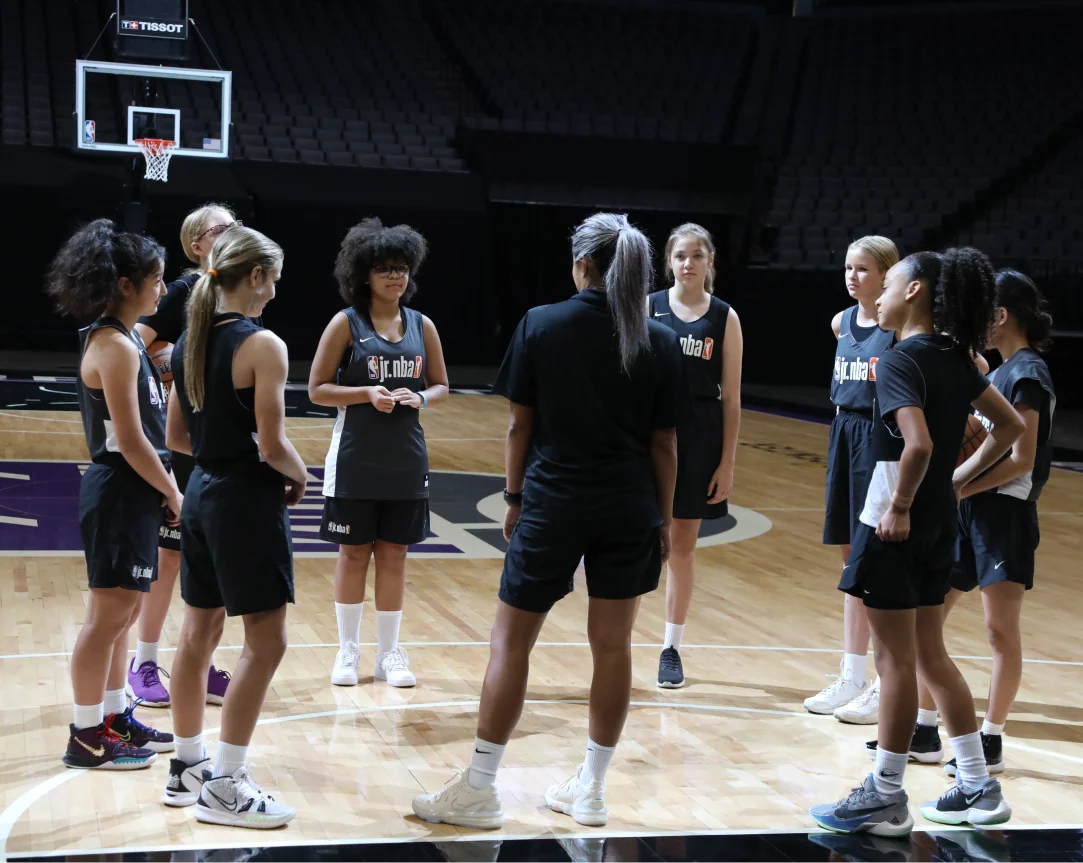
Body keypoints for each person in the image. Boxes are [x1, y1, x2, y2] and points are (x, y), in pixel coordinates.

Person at [412, 212, 683, 829]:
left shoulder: (542, 323)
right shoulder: (659, 340)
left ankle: (479, 787)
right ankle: (591, 788)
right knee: (613, 647)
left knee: (511, 642)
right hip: (630, 506)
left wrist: (512, 497)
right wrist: (663, 520)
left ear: (582, 264)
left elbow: (519, 426)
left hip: (553, 503)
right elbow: (665, 444)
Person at [811, 248, 1024, 836]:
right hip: (939, 523)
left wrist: (901, 503)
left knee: (896, 660)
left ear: (913, 292)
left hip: (894, 516)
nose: (874, 296)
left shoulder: (901, 358)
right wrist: (956, 484)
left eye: (888, 284)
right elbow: (1009, 427)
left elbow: (920, 444)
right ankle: (978, 784)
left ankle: (883, 791)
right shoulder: (957, 356)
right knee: (930, 653)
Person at [162, 226, 303, 828]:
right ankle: (226, 784)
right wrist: (300, 476)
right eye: (272, 280)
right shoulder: (263, 344)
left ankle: (187, 766)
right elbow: (272, 444)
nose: (273, 293)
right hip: (244, 500)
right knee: (267, 642)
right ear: (255, 276)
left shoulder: (190, 339)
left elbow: (174, 438)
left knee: (198, 637)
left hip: (200, 494)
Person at [894, 269, 1054, 776]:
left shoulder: (1029, 374)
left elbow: (1023, 458)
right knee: (929, 618)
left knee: (998, 630)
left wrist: (957, 481)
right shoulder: (999, 370)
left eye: (986, 313)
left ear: (1001, 316)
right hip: (970, 510)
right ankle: (923, 728)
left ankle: (992, 737)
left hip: (1004, 514)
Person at [45, 219, 178, 769]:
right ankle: (83, 734)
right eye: (156, 279)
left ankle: (114, 715)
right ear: (126, 285)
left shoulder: (126, 341)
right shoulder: (114, 346)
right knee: (107, 617)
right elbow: (128, 440)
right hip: (121, 488)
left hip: (132, 492)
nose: (164, 289)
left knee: (124, 614)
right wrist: (175, 492)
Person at [309, 218, 449, 688]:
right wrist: (365, 392)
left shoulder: (422, 324)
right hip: (354, 457)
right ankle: (347, 649)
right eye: (387, 268)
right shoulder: (345, 323)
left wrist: (422, 398)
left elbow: (442, 385)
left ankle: (389, 652)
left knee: (395, 556)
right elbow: (317, 390)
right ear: (364, 273)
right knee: (353, 555)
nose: (396, 276)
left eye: (403, 268)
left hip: (407, 460)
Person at [131, 203, 243, 708]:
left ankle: (195, 663)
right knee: (171, 555)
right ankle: (145, 660)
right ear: (197, 243)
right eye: (222, 229)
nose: (231, 234)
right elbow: (134, 343)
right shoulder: (182, 291)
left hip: (217, 437)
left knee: (211, 557)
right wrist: (165, 363)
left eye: (235, 228)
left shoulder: (237, 292)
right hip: (181, 440)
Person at [804, 236, 898, 723]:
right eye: (848, 267)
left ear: (887, 274)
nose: (852, 276)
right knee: (849, 563)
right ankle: (853, 674)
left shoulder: (898, 327)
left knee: (872, 562)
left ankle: (885, 682)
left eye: (862, 269)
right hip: (842, 434)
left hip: (880, 443)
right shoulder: (842, 322)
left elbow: (974, 364)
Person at [646, 223, 742, 688]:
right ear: (669, 260)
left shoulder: (724, 316)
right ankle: (619, 634)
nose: (688, 263)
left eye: (697, 256)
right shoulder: (648, 307)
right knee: (639, 540)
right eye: (681, 255)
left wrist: (727, 462)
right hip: (650, 433)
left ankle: (671, 647)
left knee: (682, 548)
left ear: (709, 262)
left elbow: (732, 399)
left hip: (700, 436)